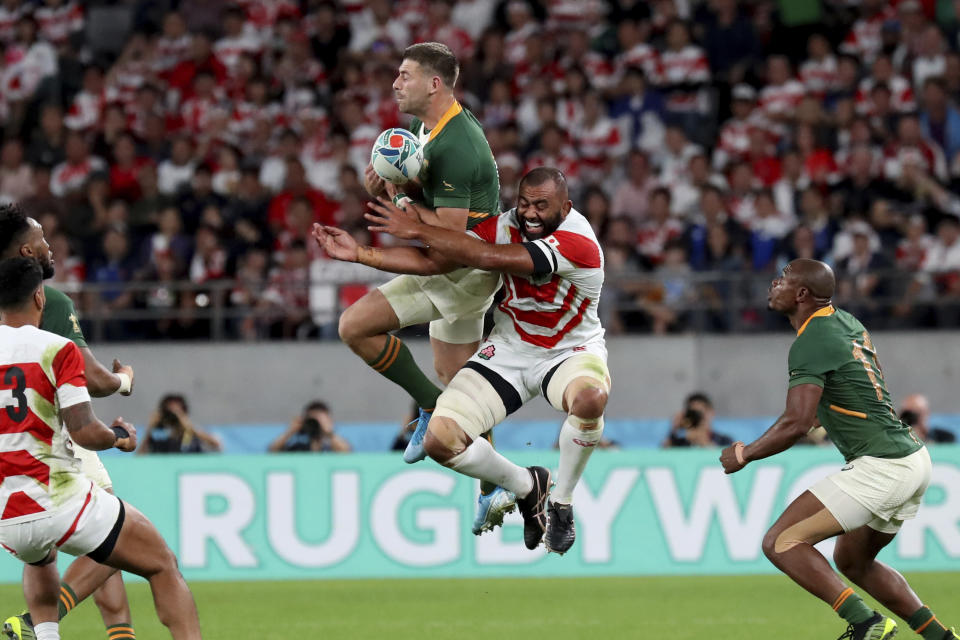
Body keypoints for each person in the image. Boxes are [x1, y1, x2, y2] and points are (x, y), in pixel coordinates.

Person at [314, 167, 611, 554]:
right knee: (441, 442)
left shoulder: (578, 241)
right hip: (509, 348)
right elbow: (440, 260)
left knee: (589, 398)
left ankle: (562, 503)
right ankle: (527, 485)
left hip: (570, 350)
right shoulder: (506, 225)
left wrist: (417, 226)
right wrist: (361, 253)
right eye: (524, 204)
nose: (531, 213)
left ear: (566, 207)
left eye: (542, 205)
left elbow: (485, 256)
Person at [719, 259, 957, 640]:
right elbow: (853, 390)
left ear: (800, 295)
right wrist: (821, 418)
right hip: (912, 457)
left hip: (883, 464)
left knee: (781, 542)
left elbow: (795, 422)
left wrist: (745, 454)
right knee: (853, 561)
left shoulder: (812, 340)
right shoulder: (845, 322)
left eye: (781, 280)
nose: (773, 285)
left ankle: (867, 623)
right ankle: (940, 638)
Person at [345, 42, 507, 531]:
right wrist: (393, 186)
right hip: (463, 271)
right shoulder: (426, 128)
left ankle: (429, 407)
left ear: (434, 84)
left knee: (355, 326)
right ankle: (495, 483)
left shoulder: (459, 145)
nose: (395, 83)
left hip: (459, 275)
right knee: (461, 382)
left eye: (404, 75)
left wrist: (403, 211)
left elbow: (450, 238)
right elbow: (426, 206)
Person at [0, 258, 202, 640]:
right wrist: (117, 436)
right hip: (58, 498)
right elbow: (85, 432)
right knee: (161, 563)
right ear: (39, 296)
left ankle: (42, 632)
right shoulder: (56, 348)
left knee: (40, 560)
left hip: (7, 514)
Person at [0, 203, 140, 640]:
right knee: (123, 536)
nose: (51, 247)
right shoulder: (47, 300)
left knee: (46, 555)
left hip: (10, 447)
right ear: (27, 251)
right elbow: (93, 379)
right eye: (43, 239)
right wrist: (124, 381)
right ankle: (37, 622)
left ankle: (54, 629)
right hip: (54, 432)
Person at [138, 394, 222, 455]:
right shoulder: (158, 439)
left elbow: (216, 446)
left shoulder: (193, 436)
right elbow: (139, 458)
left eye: (178, 412)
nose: (173, 417)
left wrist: (188, 425)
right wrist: (150, 428)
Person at [269, 401, 352, 452]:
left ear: (329, 422)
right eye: (313, 420)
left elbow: (346, 452)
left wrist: (328, 432)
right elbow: (273, 451)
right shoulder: (298, 448)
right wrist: (290, 431)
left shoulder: (331, 449)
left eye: (320, 420)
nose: (316, 423)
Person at [662, 392, 733, 448]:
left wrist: (705, 443)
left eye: (701, 413)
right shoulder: (679, 441)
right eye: (693, 414)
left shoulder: (724, 441)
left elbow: (730, 462)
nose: (697, 418)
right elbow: (664, 459)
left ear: (711, 413)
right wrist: (675, 430)